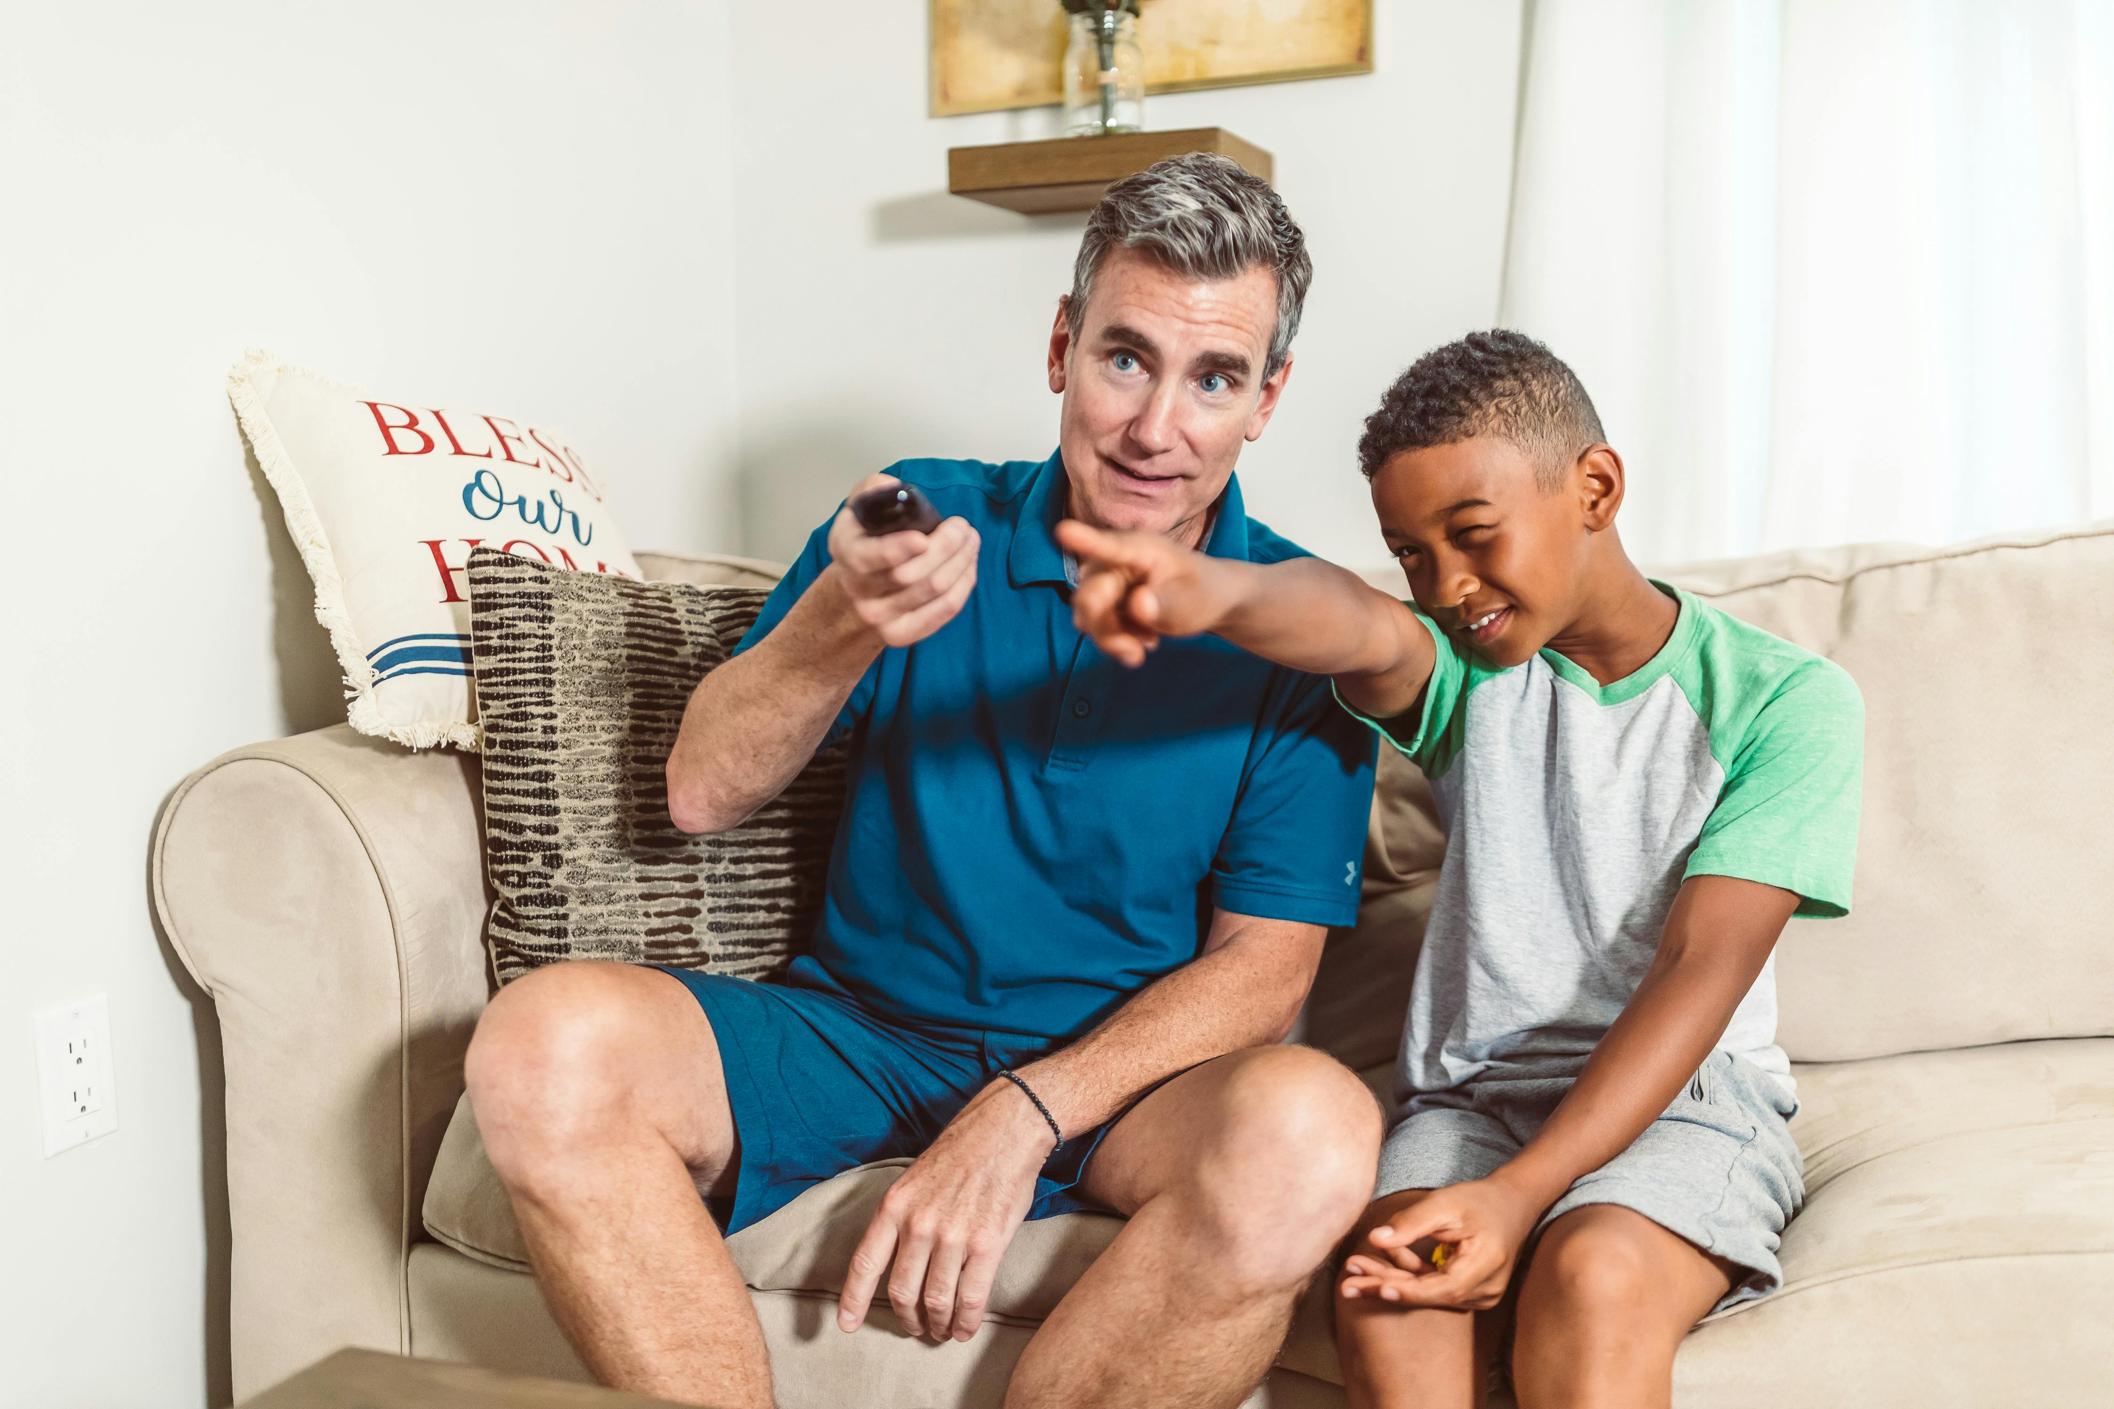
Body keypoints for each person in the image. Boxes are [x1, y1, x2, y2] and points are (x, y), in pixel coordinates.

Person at [461, 153, 1383, 1409]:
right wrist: (845, 618)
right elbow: (700, 791)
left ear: (1265, 399)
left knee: (1314, 1127)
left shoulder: (1301, 624)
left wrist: (1025, 1111)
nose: (1155, 426)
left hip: (1122, 1088)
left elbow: (1265, 969)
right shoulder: (924, 518)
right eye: (1124, 356)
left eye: (1211, 377)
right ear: (1060, 345)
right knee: (539, 1045)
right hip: (858, 1036)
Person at [1060, 329, 1864, 1409]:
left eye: (1472, 536)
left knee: (1592, 1271)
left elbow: (1696, 966)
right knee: (1395, 1280)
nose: (1445, 583)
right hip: (1467, 1103)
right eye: (1410, 553)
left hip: (1685, 1101)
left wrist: (1517, 1197)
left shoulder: (1784, 700)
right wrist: (1214, 594)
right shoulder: (1470, 675)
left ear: (1594, 487)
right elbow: (1349, 622)